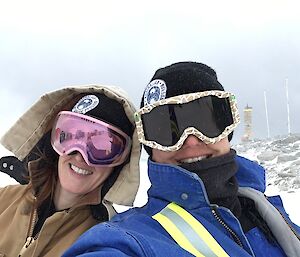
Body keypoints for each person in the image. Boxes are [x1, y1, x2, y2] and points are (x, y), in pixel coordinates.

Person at [63, 62, 300, 257]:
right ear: (150, 146)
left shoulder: (265, 209)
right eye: (167, 130)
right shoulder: (132, 238)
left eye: (207, 121)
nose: (190, 141)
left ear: (227, 129)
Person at [0, 84, 141, 256]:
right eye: (72, 136)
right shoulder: (5, 199)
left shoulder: (105, 241)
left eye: (101, 146)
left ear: (120, 162)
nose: (80, 156)